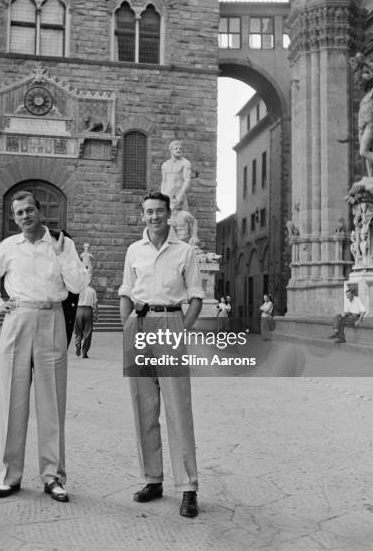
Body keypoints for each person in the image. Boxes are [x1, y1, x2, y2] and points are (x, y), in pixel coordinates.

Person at [0, 191, 88, 503]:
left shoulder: (62, 244)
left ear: (41, 212)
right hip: (18, 319)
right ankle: (9, 477)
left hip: (52, 319)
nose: (24, 216)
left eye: (29, 210)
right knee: (12, 400)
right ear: (15, 218)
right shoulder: (9, 247)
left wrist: (64, 253)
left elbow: (78, 285)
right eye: (18, 213)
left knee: (52, 402)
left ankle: (53, 477)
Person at [119, 191, 205, 518]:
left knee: (178, 409)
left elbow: (196, 296)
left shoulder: (184, 251)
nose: (154, 217)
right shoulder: (133, 251)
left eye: (159, 211)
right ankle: (152, 480)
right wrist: (127, 327)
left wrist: (182, 327)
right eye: (148, 212)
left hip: (170, 321)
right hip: (138, 324)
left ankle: (188, 488)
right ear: (142, 215)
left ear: (169, 214)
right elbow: (126, 291)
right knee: (144, 407)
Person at [160, 139, 192, 211]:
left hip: (178, 193)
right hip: (167, 194)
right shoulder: (165, 164)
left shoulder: (185, 163)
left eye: (180, 149)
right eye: (176, 148)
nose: (178, 150)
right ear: (171, 150)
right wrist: (162, 195)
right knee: (166, 218)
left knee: (181, 218)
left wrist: (180, 196)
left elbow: (187, 180)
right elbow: (164, 181)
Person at [74, 278, 98, 358]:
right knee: (88, 332)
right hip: (88, 310)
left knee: (78, 330)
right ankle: (84, 352)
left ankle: (78, 343)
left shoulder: (78, 290)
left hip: (79, 310)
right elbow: (95, 304)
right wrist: (96, 314)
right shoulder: (92, 291)